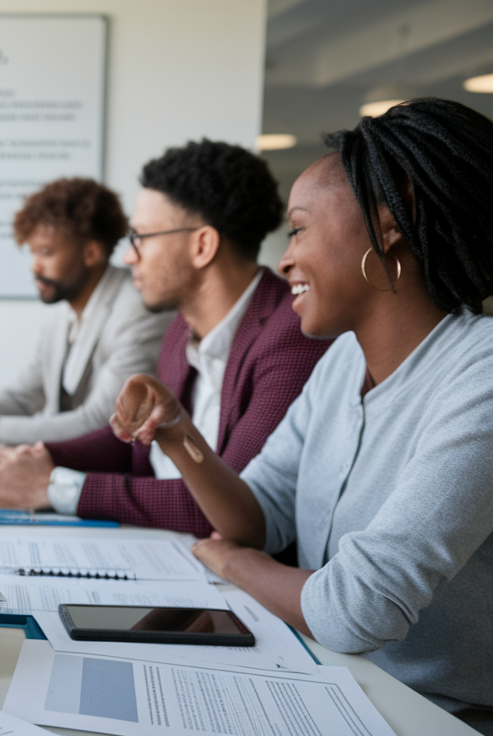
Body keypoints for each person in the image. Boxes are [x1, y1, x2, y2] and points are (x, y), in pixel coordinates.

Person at [109, 99, 493, 730]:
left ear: (388, 220)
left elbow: (355, 609)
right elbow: (257, 515)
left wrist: (238, 564)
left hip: (436, 714)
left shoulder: (477, 372)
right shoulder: (341, 362)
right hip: (330, 681)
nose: (284, 260)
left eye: (299, 229)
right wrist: (180, 436)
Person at [0, 141, 329, 537]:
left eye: (140, 237)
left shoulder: (293, 338)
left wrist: (56, 485)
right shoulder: (180, 328)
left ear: (202, 246)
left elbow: (231, 506)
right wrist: (39, 459)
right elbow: (137, 447)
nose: (128, 257)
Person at [0, 178, 172, 446]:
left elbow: (103, 420)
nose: (34, 267)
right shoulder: (62, 311)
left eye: (45, 252)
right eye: (32, 252)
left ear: (91, 252)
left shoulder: (138, 310)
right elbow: (26, 395)